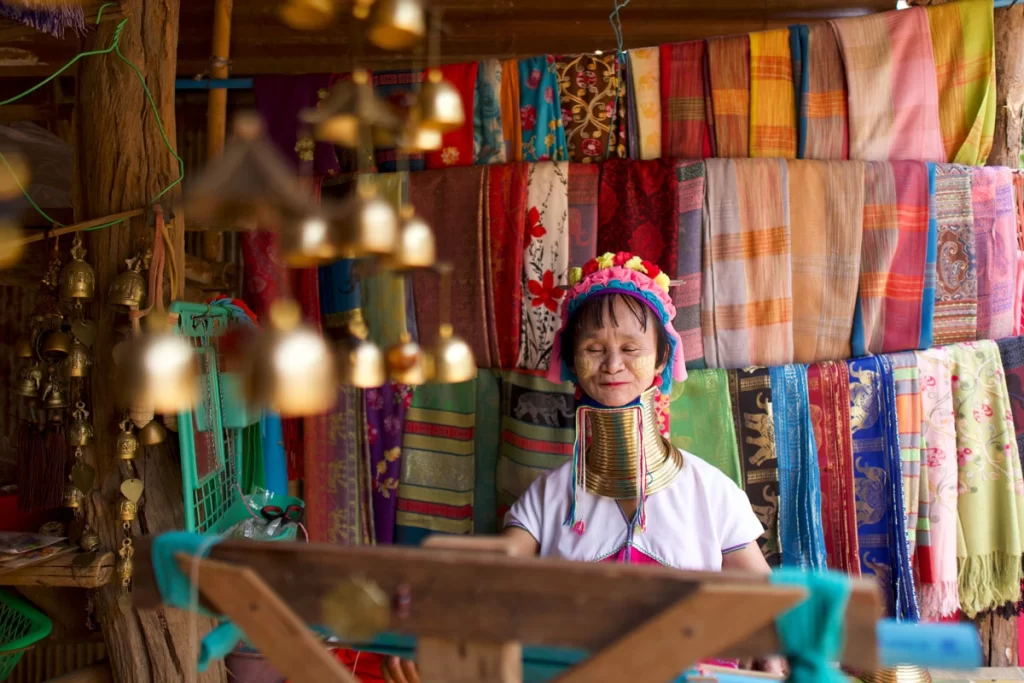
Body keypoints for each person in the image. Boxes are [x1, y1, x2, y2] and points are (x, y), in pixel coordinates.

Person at [383, 252, 783, 682]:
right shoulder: (547, 499)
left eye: (631, 349)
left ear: (662, 361)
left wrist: (774, 647)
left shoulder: (712, 492)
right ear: (573, 364)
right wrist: (427, 627)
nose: (613, 365)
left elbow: (764, 598)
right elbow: (495, 577)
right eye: (594, 349)